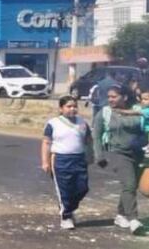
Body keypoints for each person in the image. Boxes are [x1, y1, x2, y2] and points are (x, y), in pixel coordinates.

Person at [93, 86, 145, 234]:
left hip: (138, 153)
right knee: (129, 184)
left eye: (114, 97)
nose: (110, 99)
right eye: (109, 97)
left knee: (132, 185)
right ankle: (133, 220)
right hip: (117, 153)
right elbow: (96, 135)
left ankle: (121, 215)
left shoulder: (138, 109)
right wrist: (99, 156)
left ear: (125, 97)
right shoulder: (104, 113)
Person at [41, 95, 93, 229]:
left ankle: (68, 208)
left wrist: (90, 156)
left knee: (82, 188)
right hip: (60, 160)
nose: (72, 109)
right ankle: (66, 216)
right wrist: (45, 162)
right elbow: (46, 143)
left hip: (79, 159)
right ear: (61, 108)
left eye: (75, 106)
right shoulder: (53, 123)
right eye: (69, 106)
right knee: (64, 189)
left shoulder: (82, 123)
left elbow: (88, 141)